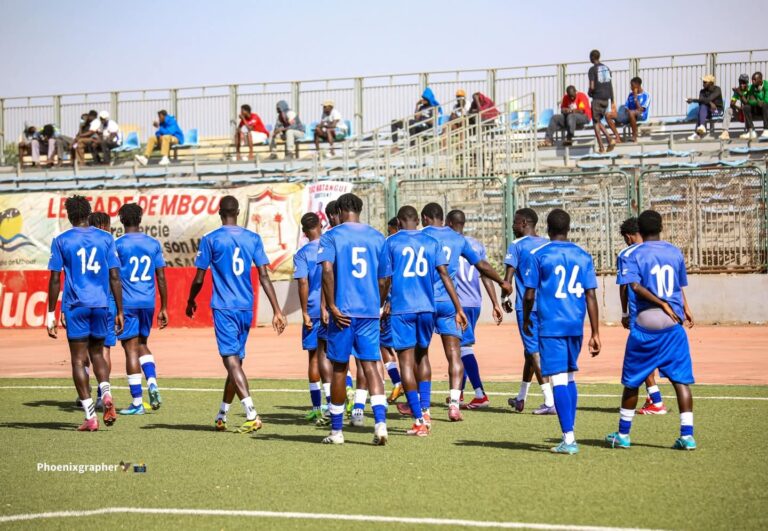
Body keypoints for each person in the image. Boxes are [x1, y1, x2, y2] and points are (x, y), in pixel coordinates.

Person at [186, 195, 287, 433]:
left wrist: (191, 299)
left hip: (224, 307)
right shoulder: (253, 238)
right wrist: (277, 310)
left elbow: (200, 277)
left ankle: (251, 413)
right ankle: (222, 414)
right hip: (245, 308)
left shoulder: (210, 239)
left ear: (220, 213)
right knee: (236, 363)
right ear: (238, 212)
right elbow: (263, 275)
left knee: (231, 360)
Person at [606, 210, 696, 451]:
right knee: (680, 381)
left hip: (645, 326)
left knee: (632, 382)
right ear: (661, 227)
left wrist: (660, 303)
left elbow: (633, 286)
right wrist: (685, 308)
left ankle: (623, 435)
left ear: (639, 232)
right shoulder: (674, 251)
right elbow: (677, 286)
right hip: (673, 326)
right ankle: (687, 436)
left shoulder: (632, 254)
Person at [419, 203, 512, 421]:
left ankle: (423, 408)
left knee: (420, 354)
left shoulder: (421, 236)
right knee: (455, 352)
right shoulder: (458, 239)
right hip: (451, 302)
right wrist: (502, 282)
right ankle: (454, 404)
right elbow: (482, 266)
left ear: (424, 218)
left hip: (424, 301)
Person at [380, 205, 467, 437]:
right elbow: (445, 275)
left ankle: (419, 419)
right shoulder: (431, 241)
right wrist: (459, 307)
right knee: (423, 356)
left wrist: (381, 306)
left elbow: (385, 280)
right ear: (418, 220)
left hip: (402, 309)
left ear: (398, 221)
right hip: (427, 308)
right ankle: (426, 411)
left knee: (406, 364)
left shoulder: (391, 242)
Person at [522, 208, 601, 454]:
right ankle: (570, 430)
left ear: (547, 227)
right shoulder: (583, 255)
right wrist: (595, 332)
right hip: (575, 325)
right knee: (569, 377)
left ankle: (569, 439)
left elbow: (530, 293)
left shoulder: (539, 254)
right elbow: (591, 295)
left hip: (552, 326)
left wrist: (526, 318)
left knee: (557, 378)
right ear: (569, 228)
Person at [46, 195, 123, 431]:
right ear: (88, 214)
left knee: (79, 360)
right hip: (101, 305)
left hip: (76, 306)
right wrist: (119, 310)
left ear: (69, 216)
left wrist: (51, 313)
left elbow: (55, 280)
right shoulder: (106, 238)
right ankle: (106, 394)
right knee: (98, 354)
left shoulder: (61, 240)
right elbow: (114, 276)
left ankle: (91, 417)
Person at [317, 193, 389, 445]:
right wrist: (377, 304)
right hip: (369, 312)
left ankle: (337, 432)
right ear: (360, 209)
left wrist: (332, 305)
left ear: (339, 210)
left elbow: (326, 270)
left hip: (343, 315)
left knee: (339, 368)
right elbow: (384, 279)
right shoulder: (377, 237)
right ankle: (380, 426)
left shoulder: (332, 235)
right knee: (370, 367)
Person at [114, 203, 168, 415]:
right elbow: (161, 277)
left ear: (121, 220)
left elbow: (114, 277)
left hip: (127, 302)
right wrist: (164, 306)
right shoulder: (153, 243)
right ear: (140, 219)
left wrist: (117, 308)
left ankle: (137, 402)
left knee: (130, 349)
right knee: (143, 344)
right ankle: (152, 382)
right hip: (148, 301)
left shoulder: (117, 245)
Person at [446, 209, 503, 409]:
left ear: (449, 223)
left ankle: (480, 393)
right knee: (461, 346)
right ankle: (459, 392)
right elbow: (485, 274)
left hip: (459, 303)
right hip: (475, 302)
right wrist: (495, 302)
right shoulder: (476, 244)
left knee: (462, 348)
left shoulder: (450, 244)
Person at [503, 208, 556, 415]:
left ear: (524, 223)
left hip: (527, 306)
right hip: (549, 305)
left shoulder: (516, 245)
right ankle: (521, 398)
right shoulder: (547, 244)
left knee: (534, 351)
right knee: (530, 352)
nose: (513, 226)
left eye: (515, 222)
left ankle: (550, 401)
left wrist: (504, 297)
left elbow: (508, 280)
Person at [617, 217, 666, 415]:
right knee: (658, 356)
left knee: (640, 357)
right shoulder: (660, 250)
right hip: (667, 311)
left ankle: (656, 401)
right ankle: (656, 399)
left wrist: (624, 312)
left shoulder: (627, 254)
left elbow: (625, 285)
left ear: (628, 237)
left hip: (641, 314)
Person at [294, 212, 332, 423]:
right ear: (321, 225)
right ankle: (334, 403)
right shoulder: (331, 246)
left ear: (303, 231)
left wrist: (305, 312)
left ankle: (318, 407)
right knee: (332, 356)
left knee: (314, 358)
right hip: (333, 309)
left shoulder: (302, 254)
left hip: (314, 310)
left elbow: (302, 283)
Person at [86, 212, 116, 411]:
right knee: (104, 350)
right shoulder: (108, 243)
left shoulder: (83, 245)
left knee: (84, 350)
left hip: (84, 301)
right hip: (108, 303)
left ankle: (85, 393)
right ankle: (102, 394)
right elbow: (116, 277)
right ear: (105, 225)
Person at [382, 217, 404, 404]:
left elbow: (388, 276)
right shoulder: (419, 240)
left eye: (390, 230)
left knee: (385, 344)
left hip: (394, 303)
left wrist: (387, 301)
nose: (389, 234)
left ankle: (399, 382)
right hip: (414, 302)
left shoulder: (391, 243)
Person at [588, 49, 620, 152]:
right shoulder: (607, 68)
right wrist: (612, 100)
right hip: (606, 99)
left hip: (597, 98)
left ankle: (603, 146)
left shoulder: (592, 70)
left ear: (592, 58)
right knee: (598, 121)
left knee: (595, 122)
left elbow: (592, 86)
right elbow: (610, 85)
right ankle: (608, 140)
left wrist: (589, 92)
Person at [606, 77, 650, 143]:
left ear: (638, 85)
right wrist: (627, 110)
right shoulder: (630, 95)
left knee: (632, 113)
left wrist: (635, 97)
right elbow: (626, 107)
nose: (631, 87)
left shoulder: (646, 95)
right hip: (629, 114)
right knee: (608, 115)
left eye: (632, 85)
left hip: (641, 115)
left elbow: (641, 109)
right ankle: (618, 137)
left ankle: (634, 137)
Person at [686, 75, 723, 140]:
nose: (703, 83)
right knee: (702, 106)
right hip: (708, 111)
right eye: (703, 82)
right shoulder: (702, 91)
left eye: (705, 82)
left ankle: (697, 133)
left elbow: (709, 98)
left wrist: (693, 100)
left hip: (717, 110)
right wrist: (710, 103)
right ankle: (702, 126)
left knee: (702, 108)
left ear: (711, 83)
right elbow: (701, 102)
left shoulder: (717, 89)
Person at [720, 74, 751, 140]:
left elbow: (748, 103)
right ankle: (725, 132)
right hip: (741, 114)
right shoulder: (738, 90)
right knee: (729, 109)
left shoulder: (750, 89)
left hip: (750, 114)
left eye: (744, 83)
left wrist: (740, 94)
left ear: (747, 83)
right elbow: (732, 103)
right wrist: (738, 108)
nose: (742, 85)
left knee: (746, 108)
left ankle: (749, 132)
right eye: (740, 83)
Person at [740, 72, 768, 140]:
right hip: (758, 108)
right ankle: (751, 131)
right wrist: (757, 102)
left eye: (754, 80)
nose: (752, 81)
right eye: (752, 79)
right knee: (746, 107)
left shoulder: (766, 85)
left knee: (765, 104)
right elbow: (749, 101)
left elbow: (766, 100)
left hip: (766, 109)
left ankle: (766, 130)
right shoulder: (752, 87)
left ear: (760, 80)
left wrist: (761, 102)